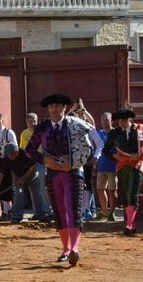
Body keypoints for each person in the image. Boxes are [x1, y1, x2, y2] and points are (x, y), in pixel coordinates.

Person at [26, 93, 94, 266]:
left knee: (73, 209)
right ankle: (66, 249)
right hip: (53, 173)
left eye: (57, 106)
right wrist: (45, 160)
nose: (54, 109)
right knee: (60, 210)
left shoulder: (75, 124)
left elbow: (89, 148)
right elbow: (29, 150)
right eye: (51, 106)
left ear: (64, 108)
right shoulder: (42, 128)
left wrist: (74, 162)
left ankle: (74, 249)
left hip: (73, 173)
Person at [102, 109, 143, 236]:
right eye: (120, 121)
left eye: (124, 120)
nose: (122, 123)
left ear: (129, 119)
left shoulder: (138, 130)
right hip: (122, 166)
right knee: (125, 196)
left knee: (132, 194)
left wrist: (139, 155)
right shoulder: (115, 133)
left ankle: (129, 226)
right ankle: (131, 226)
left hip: (136, 166)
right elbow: (106, 149)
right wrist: (115, 155)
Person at [0, 143, 51, 224]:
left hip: (32, 174)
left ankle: (42, 215)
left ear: (16, 152)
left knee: (37, 194)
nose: (9, 157)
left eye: (11, 155)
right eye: (8, 155)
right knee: (18, 194)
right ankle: (16, 217)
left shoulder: (26, 153)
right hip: (17, 175)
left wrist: (24, 178)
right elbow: (0, 174)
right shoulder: (7, 158)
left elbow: (34, 167)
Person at [20, 112, 54, 223]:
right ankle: (37, 212)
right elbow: (23, 149)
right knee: (33, 188)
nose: (33, 123)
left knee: (42, 187)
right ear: (26, 123)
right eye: (30, 121)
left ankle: (49, 211)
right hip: (30, 163)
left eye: (34, 121)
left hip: (41, 161)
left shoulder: (41, 132)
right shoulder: (24, 134)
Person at [95, 112, 118, 222]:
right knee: (100, 189)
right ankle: (104, 211)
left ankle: (112, 213)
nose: (104, 122)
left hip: (113, 166)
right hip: (101, 166)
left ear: (111, 121)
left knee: (112, 190)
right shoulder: (99, 133)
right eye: (102, 120)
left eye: (106, 120)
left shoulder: (116, 133)